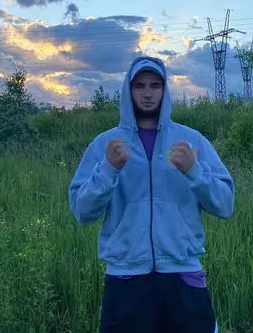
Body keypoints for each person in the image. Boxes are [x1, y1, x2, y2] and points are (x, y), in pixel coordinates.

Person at [69, 56, 235, 332]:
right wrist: (108, 169)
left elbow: (225, 204)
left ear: (165, 90)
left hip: (182, 273)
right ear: (128, 91)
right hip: (126, 277)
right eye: (139, 86)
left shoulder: (191, 141)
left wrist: (194, 170)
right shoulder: (106, 145)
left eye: (155, 86)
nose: (147, 93)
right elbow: (82, 212)